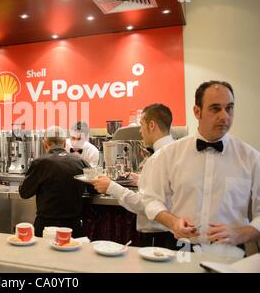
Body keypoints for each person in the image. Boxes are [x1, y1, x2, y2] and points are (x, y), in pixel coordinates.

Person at [143, 81, 260, 249]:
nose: (224, 116)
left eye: (229, 108)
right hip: (181, 250)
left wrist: (239, 234)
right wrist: (173, 222)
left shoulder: (251, 158)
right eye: (215, 108)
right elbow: (152, 199)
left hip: (230, 254)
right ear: (197, 112)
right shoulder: (169, 154)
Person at [90, 104, 175, 247]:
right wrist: (141, 180)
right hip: (172, 233)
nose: (141, 131)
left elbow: (145, 205)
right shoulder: (176, 150)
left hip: (158, 236)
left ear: (152, 125)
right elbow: (166, 187)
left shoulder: (157, 158)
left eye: (142, 125)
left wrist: (111, 187)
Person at [19, 126, 90, 238]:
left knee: (43, 255)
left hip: (45, 227)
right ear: (64, 144)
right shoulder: (81, 162)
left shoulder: (39, 163)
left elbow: (24, 193)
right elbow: (95, 188)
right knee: (72, 254)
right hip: (73, 227)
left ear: (45, 143)